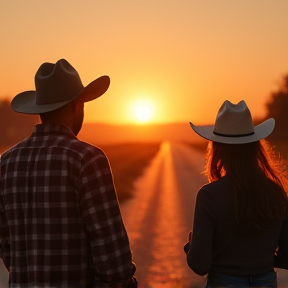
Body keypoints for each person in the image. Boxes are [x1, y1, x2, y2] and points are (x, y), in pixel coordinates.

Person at [0, 59, 137, 288]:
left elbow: (5, 243)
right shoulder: (87, 158)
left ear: (40, 109)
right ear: (76, 106)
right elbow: (111, 251)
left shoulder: (5, 162)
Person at [183, 100, 288, 288]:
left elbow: (200, 265)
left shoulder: (209, 196)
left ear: (217, 149)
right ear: (255, 146)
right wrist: (259, 259)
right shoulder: (277, 192)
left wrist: (191, 247)